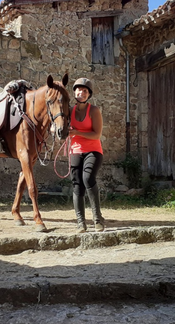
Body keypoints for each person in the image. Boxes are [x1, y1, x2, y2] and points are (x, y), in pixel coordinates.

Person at [69, 77, 105, 233]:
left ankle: (97, 219)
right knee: (77, 184)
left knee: (87, 179)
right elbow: (56, 127)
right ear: (74, 92)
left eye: (85, 91)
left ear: (89, 94)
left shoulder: (94, 110)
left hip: (93, 150)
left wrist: (76, 132)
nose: (81, 93)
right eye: (79, 90)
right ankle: (80, 222)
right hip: (75, 150)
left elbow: (96, 135)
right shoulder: (68, 111)